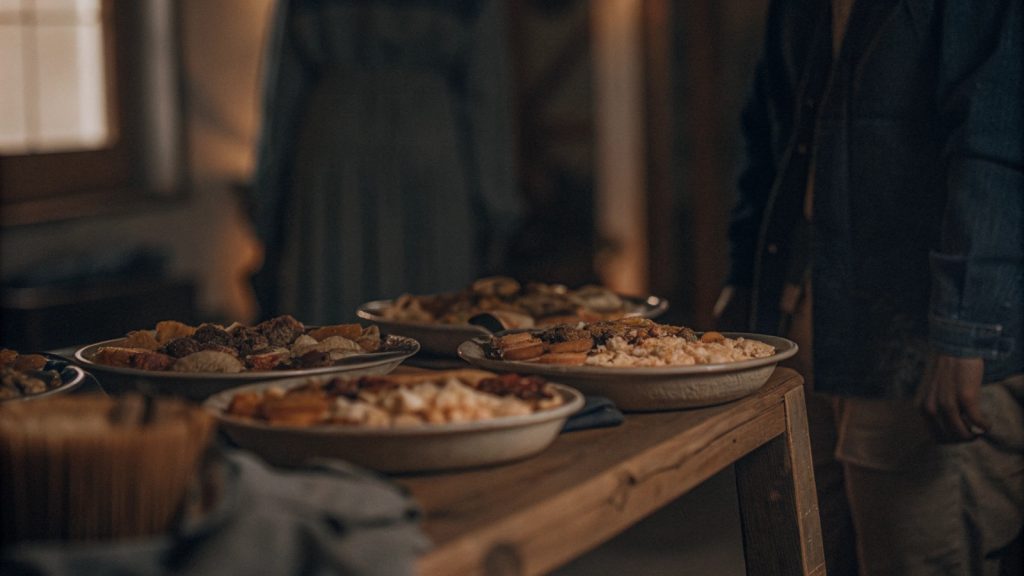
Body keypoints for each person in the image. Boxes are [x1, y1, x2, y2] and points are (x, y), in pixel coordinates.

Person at [715, 1, 1023, 574]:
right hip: (803, 314)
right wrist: (743, 274)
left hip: (922, 334)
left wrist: (967, 327)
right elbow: (769, 125)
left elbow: (997, 139)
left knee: (915, 556)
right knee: (811, 554)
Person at [249, 0, 521, 324]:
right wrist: (497, 206)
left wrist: (267, 204)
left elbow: (282, 95)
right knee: (432, 309)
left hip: (336, 135)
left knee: (334, 295)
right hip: (426, 139)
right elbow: (486, 95)